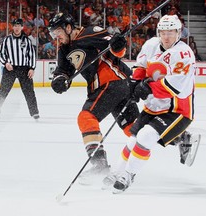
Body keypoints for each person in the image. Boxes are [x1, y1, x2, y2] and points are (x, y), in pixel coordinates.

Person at [102, 15, 200, 193]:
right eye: (164, 32)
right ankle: (117, 172)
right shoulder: (151, 45)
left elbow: (178, 87)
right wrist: (134, 83)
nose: (167, 36)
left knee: (146, 136)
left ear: (178, 33)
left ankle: (129, 175)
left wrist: (147, 87)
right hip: (153, 107)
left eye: (171, 32)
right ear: (158, 32)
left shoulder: (184, 54)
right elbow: (141, 67)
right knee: (133, 140)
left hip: (177, 110)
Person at [48, 13, 139, 180]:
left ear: (69, 28)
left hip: (111, 83)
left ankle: (99, 164)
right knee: (135, 130)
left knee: (86, 117)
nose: (56, 37)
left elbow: (117, 49)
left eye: (58, 32)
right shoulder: (64, 49)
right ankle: (179, 138)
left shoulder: (90, 32)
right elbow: (63, 70)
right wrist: (59, 80)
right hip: (121, 86)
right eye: (53, 34)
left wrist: (118, 44)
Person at [0, 18, 39, 119]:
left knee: (29, 92)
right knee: (3, 90)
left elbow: (32, 55)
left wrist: (32, 68)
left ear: (22, 27)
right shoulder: (7, 39)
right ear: (12, 27)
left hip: (24, 69)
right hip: (10, 69)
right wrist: (5, 63)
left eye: (19, 26)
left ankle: (34, 113)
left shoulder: (27, 40)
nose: (17, 28)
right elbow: (0, 54)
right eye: (15, 25)